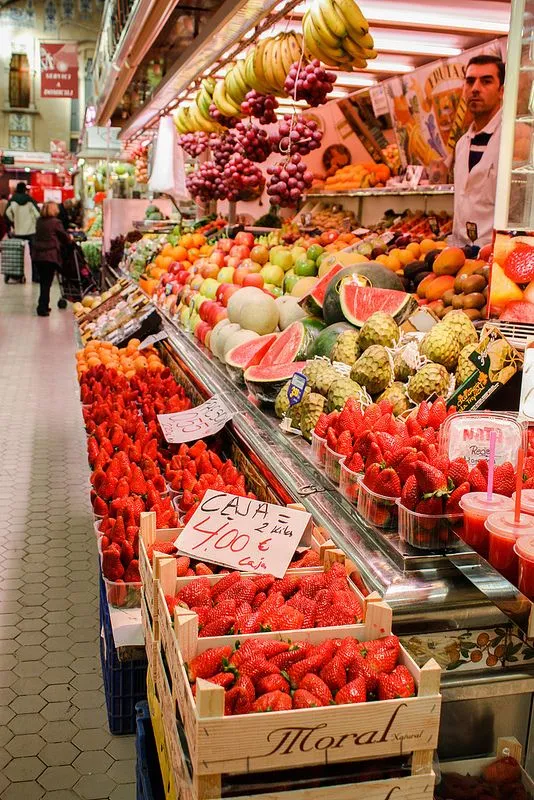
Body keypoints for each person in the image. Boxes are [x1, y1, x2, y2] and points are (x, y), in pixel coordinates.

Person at [452, 55, 505, 249]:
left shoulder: (513, 141)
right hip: (461, 253)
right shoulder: (461, 144)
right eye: (470, 81)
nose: (475, 88)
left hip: (496, 253)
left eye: (486, 81)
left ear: (502, 91)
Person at [32, 201, 71, 317]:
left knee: (44, 282)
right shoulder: (56, 222)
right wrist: (69, 240)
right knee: (46, 282)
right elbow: (64, 237)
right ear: (53, 210)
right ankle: (42, 307)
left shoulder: (39, 221)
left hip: (38, 255)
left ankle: (44, 305)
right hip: (49, 256)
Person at [6, 182, 40, 280]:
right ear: (25, 189)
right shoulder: (30, 200)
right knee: (33, 254)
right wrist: (34, 222)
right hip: (31, 231)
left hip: (18, 230)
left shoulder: (12, 200)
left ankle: (17, 275)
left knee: (17, 254)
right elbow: (37, 214)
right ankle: (35, 276)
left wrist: (14, 221)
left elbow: (7, 213)